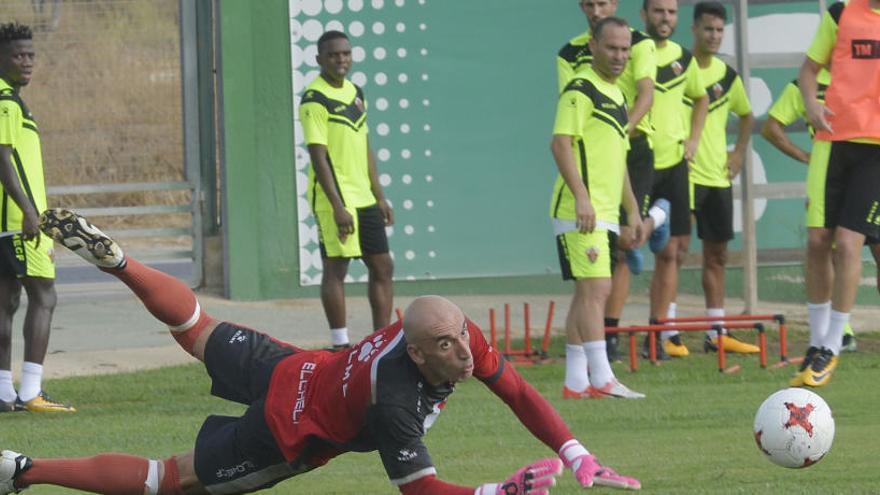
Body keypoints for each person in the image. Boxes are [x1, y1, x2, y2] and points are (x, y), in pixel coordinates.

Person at [0, 208, 642, 494]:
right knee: (164, 479)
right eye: (448, 347)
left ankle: (120, 263)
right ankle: (23, 470)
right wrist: (494, 494)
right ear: (417, 353)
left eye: (462, 339)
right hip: (286, 429)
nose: (467, 356)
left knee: (196, 325)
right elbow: (420, 493)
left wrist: (576, 451)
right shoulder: (394, 402)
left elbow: (518, 389)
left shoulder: (453, 333)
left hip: (294, 366)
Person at [556, 0, 671, 363]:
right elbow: (566, 128)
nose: (596, 9)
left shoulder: (638, 44)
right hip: (596, 152)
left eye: (602, 2)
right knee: (605, 266)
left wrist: (619, 130)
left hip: (631, 146)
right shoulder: (570, 58)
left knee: (618, 249)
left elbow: (646, 94)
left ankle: (603, 344)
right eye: (589, 4)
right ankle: (601, 355)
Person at [551, 17, 646, 400]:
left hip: (605, 210)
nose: (620, 55)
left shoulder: (618, 95)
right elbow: (560, 144)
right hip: (579, 210)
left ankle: (576, 383)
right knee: (597, 290)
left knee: (586, 293)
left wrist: (633, 210)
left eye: (625, 49)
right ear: (593, 46)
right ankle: (603, 377)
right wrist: (583, 197)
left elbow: (618, 160)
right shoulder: (580, 89)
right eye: (612, 47)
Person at [761, 62, 880, 355]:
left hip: (869, 175)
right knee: (831, 250)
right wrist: (805, 156)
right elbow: (771, 126)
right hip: (831, 180)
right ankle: (838, 332)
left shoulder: (868, 76)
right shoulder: (807, 85)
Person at [794, 0, 880, 387]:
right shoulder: (841, 13)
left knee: (848, 244)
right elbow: (809, 70)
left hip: (875, 150)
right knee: (817, 241)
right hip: (832, 141)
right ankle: (815, 342)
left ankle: (832, 344)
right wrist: (810, 103)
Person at [300, 30, 394, 349]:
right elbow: (318, 155)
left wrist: (379, 195)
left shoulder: (356, 92)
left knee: (382, 266)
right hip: (335, 200)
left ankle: (381, 341)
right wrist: (337, 205)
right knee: (336, 268)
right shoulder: (314, 98)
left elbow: (365, 144)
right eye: (333, 55)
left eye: (345, 54)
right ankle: (340, 343)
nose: (341, 60)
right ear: (319, 60)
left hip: (364, 197)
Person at [673, 2, 758, 356]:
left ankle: (716, 331)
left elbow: (747, 116)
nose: (714, 36)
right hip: (684, 174)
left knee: (717, 256)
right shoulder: (678, 68)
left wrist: (737, 153)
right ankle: (667, 332)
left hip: (718, 179)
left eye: (720, 30)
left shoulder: (728, 75)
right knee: (674, 253)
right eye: (708, 29)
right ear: (694, 30)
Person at [0, 22, 72, 413]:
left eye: (30, 55)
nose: (27, 62)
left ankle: (4, 393)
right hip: (18, 221)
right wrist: (30, 210)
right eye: (18, 55)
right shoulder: (7, 102)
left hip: (5, 223)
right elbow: (2, 156)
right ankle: (31, 391)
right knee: (44, 296)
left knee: (5, 303)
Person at [640, 0, 709, 359]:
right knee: (625, 251)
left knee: (676, 251)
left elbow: (700, 99)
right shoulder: (635, 50)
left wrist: (694, 138)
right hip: (641, 163)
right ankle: (606, 335)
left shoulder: (685, 57)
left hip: (675, 165)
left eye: (670, 12)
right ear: (644, 15)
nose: (665, 18)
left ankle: (657, 332)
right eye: (658, 11)